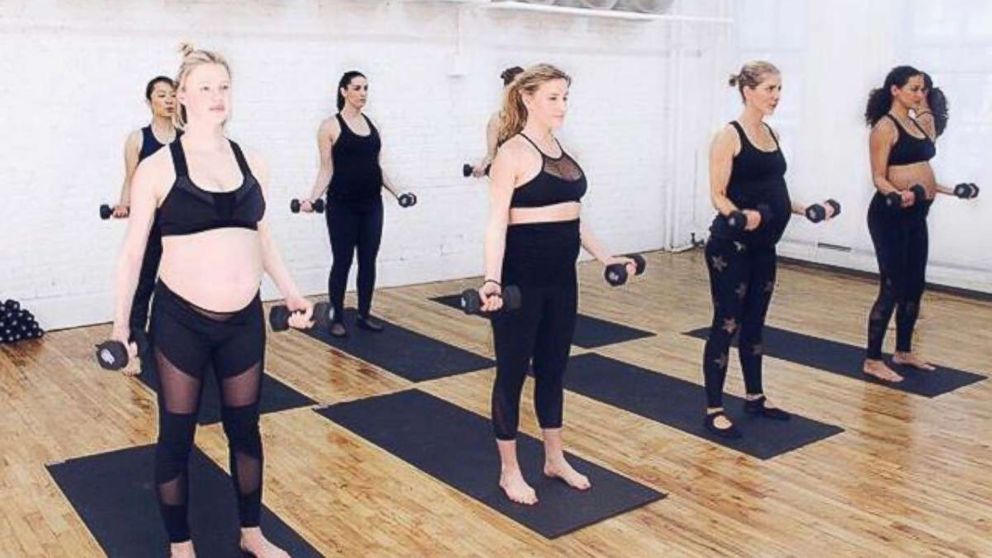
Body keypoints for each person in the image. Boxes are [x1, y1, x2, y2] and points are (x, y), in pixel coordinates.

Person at [110, 43, 312, 557]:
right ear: (181, 96)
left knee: (246, 430)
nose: (217, 96)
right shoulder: (158, 167)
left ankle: (252, 534)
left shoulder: (252, 161)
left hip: (243, 320)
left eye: (224, 87)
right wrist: (120, 330)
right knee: (177, 435)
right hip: (181, 321)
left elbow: (263, 239)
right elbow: (133, 254)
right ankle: (181, 546)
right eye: (205, 88)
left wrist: (291, 293)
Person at [477, 63, 637, 504]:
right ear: (527, 98)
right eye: (553, 97)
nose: (562, 105)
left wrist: (608, 257)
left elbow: (574, 218)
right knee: (511, 374)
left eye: (565, 96)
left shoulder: (564, 149)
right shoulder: (513, 152)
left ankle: (554, 458)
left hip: (562, 282)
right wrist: (492, 280)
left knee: (553, 371)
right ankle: (510, 470)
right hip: (520, 284)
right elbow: (496, 224)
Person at [702, 61, 837, 439]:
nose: (776, 96)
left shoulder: (771, 132)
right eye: (770, 89)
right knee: (727, 322)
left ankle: (755, 396)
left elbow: (775, 191)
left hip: (765, 246)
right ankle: (714, 408)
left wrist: (806, 209)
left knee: (756, 323)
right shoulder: (728, 136)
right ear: (748, 91)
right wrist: (741, 217)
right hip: (731, 246)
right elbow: (717, 194)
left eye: (779, 89)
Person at [299, 71, 414, 337]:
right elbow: (326, 169)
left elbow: (376, 167)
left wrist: (398, 193)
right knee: (342, 261)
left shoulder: (371, 125)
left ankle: (363, 314)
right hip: (342, 206)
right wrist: (312, 199)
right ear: (343, 91)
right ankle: (336, 317)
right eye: (357, 88)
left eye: (366, 88)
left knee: (368, 260)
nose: (363, 93)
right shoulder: (330, 126)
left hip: (372, 204)